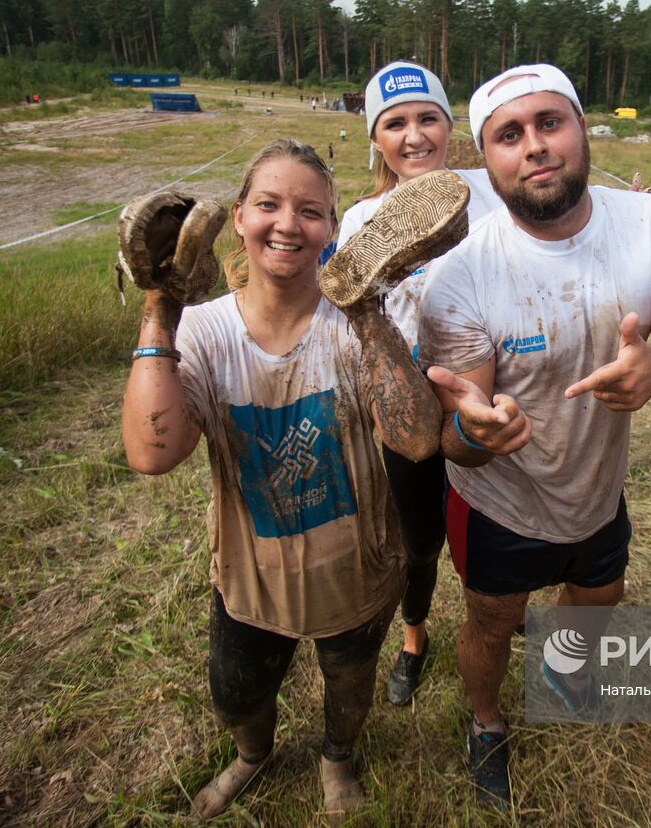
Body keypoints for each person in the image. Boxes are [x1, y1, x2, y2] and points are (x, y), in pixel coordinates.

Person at [417, 64, 651, 805]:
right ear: (485, 161)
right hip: (501, 500)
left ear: (583, 129)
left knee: (602, 592)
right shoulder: (459, 276)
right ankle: (486, 722)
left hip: (597, 486)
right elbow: (453, 438)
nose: (535, 146)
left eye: (551, 122)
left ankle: (563, 668)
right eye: (509, 135)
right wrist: (477, 427)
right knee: (492, 620)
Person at [120, 140, 441, 819]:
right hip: (249, 577)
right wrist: (159, 305)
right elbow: (152, 451)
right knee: (236, 693)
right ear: (238, 217)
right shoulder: (204, 332)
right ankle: (252, 754)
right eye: (268, 204)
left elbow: (416, 437)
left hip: (356, 573)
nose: (288, 223)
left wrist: (369, 308)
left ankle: (337, 756)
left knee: (349, 688)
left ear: (332, 227)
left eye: (311, 210)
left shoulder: (354, 326)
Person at [337, 61, 505, 707]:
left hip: (481, 396)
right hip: (406, 407)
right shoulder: (361, 220)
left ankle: (488, 620)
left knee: (485, 527)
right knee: (416, 539)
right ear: (375, 137)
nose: (414, 135)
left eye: (427, 117)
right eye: (395, 123)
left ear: (448, 123)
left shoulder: (488, 194)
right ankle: (414, 637)